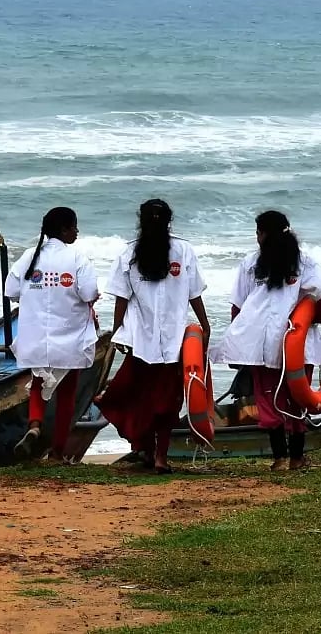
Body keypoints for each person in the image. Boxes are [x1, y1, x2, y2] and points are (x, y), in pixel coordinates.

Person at [212, 210, 321, 471]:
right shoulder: (305, 263)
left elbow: (238, 307)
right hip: (293, 345)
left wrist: (239, 344)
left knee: (268, 399)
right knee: (297, 398)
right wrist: (315, 320)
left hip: (267, 343)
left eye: (258, 232)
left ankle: (280, 458)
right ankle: (295, 458)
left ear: (263, 234)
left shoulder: (253, 263)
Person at [95, 199, 210, 474]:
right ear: (169, 221)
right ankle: (158, 456)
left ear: (141, 221)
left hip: (143, 339)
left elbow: (121, 299)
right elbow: (195, 294)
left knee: (140, 397)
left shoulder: (130, 253)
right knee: (167, 402)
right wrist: (205, 325)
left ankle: (147, 450)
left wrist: (118, 332)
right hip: (168, 340)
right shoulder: (182, 251)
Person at [5, 207, 100, 463]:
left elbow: (11, 290)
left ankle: (34, 426)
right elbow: (90, 293)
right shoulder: (77, 258)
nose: (77, 231)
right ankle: (58, 452)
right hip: (70, 338)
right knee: (67, 394)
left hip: (35, 338)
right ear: (64, 229)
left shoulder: (28, 257)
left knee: (38, 385)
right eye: (74, 227)